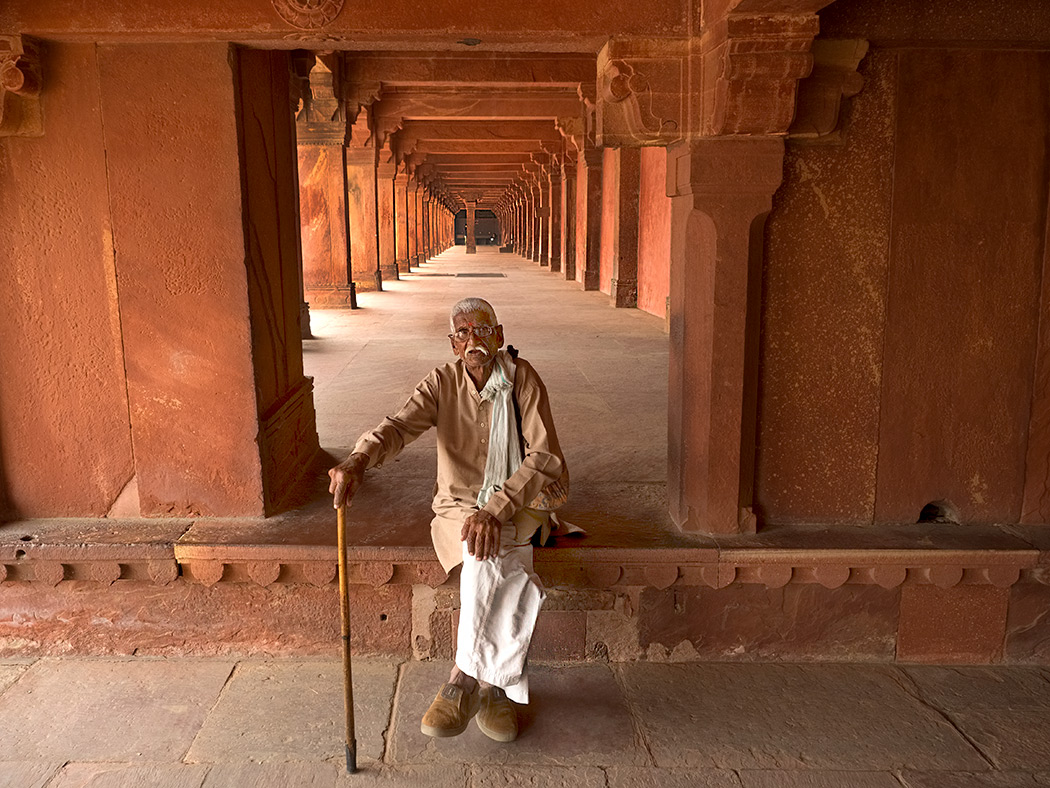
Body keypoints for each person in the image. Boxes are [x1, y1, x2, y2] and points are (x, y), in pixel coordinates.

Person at [328, 297, 568, 743]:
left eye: (482, 331)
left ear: (498, 335)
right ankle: (498, 686)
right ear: (453, 344)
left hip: (519, 500)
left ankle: (462, 679)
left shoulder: (523, 379)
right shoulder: (441, 382)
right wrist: (359, 459)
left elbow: (545, 457)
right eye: (463, 333)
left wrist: (496, 508)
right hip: (457, 506)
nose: (473, 340)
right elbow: (398, 427)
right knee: (488, 550)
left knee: (488, 554)